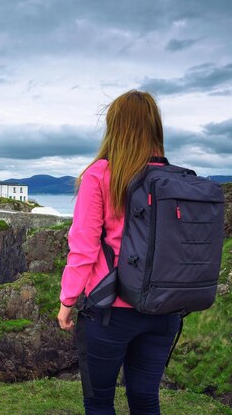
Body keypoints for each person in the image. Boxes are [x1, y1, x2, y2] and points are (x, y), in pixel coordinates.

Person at [56, 89, 181, 414]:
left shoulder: (99, 175)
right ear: (155, 126)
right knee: (145, 400)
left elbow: (83, 248)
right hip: (164, 311)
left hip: (110, 311)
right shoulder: (173, 179)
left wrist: (68, 301)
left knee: (98, 402)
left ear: (114, 127)